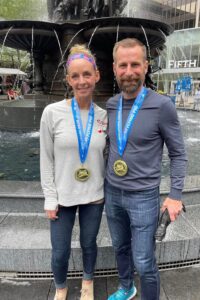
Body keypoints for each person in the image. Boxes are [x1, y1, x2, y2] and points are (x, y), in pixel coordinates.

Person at [105, 38, 187, 300]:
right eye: (123, 65)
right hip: (112, 191)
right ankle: (127, 288)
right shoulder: (111, 104)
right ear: (114, 68)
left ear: (146, 66)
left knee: (144, 260)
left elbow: (178, 153)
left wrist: (175, 195)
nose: (129, 72)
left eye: (135, 64)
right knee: (119, 247)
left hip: (143, 196)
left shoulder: (162, 106)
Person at [40, 44, 107, 300]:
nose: (82, 81)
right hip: (62, 197)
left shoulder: (104, 116)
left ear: (96, 75)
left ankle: (87, 282)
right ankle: (60, 286)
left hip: (94, 195)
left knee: (89, 244)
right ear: (68, 79)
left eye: (87, 74)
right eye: (76, 76)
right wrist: (49, 197)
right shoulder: (52, 113)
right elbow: (46, 159)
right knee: (59, 251)